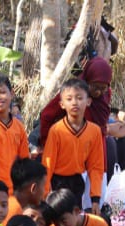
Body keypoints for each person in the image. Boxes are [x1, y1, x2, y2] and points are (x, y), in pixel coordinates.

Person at [42, 79, 104, 213]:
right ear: (62, 104)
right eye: (69, 99)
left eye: (79, 98)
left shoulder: (94, 131)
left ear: (88, 101)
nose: (75, 102)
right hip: (57, 182)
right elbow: (48, 164)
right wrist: (45, 194)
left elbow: (96, 166)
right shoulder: (56, 130)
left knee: (74, 221)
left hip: (77, 182)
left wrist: (95, 199)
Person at [39, 56, 113, 146]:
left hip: (97, 145)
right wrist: (47, 143)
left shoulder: (106, 95)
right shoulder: (73, 92)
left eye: (103, 88)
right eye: (95, 87)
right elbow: (46, 115)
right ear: (87, 80)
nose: (98, 92)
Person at [4, 157, 46, 226]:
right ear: (34, 188)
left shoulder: (11, 203)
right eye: (43, 186)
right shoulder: (15, 210)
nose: (44, 191)